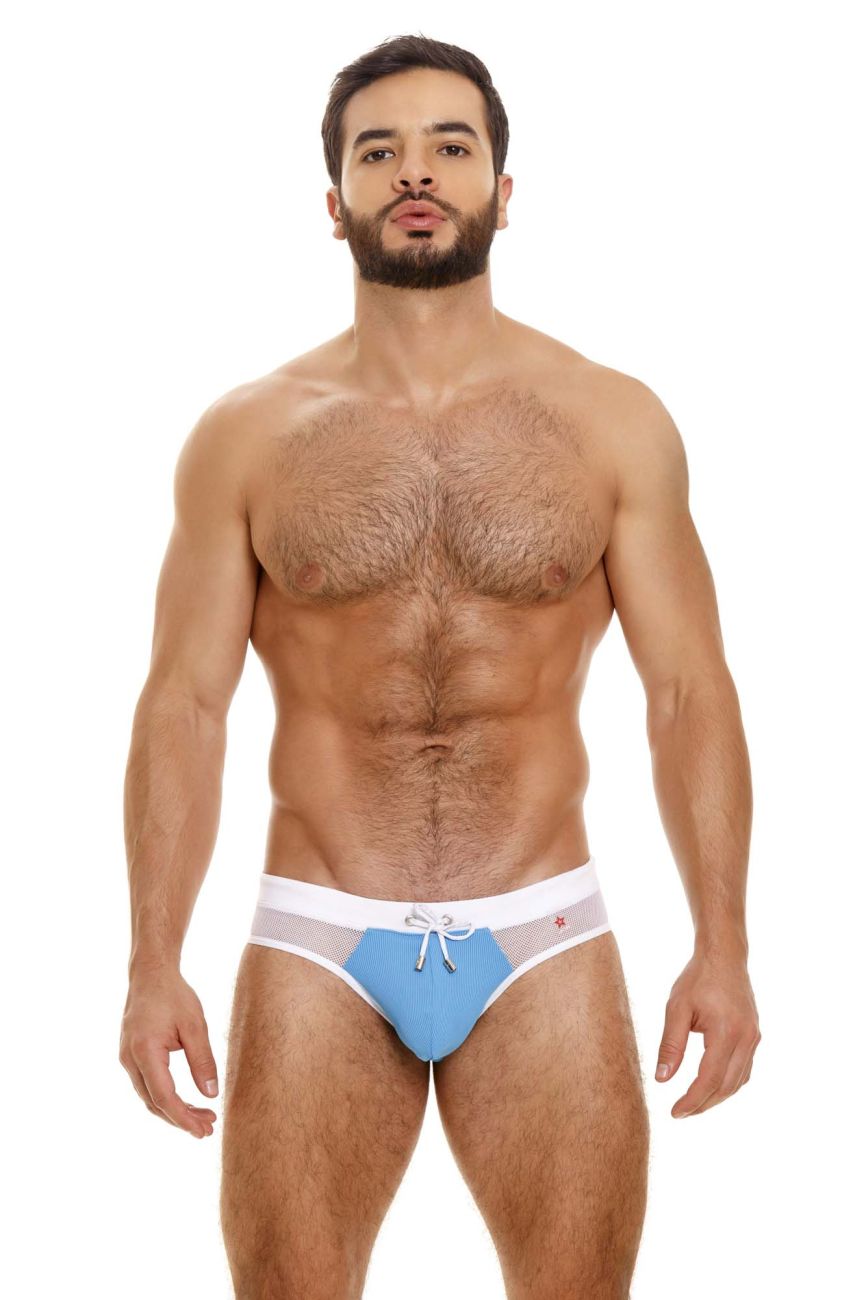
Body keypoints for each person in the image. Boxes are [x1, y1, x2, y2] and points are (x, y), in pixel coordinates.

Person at [119, 33, 761, 1300]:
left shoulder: (609, 421)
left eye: (448, 147)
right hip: (320, 929)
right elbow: (183, 705)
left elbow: (687, 691)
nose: (414, 173)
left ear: (501, 192)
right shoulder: (245, 437)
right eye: (379, 152)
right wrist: (151, 962)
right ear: (334, 202)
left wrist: (722, 944)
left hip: (540, 924)